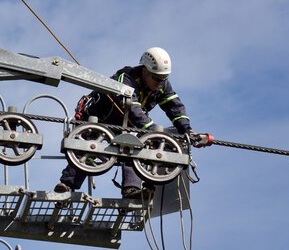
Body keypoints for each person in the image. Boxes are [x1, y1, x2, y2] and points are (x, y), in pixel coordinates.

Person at [54, 47, 212, 199]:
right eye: (156, 78)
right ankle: (67, 185)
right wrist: (151, 129)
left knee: (135, 146)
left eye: (163, 78)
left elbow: (175, 107)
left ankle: (132, 189)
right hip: (97, 120)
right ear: (145, 70)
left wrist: (187, 131)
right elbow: (132, 107)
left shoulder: (162, 85)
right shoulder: (126, 78)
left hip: (125, 125)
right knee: (88, 148)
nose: (159, 83)